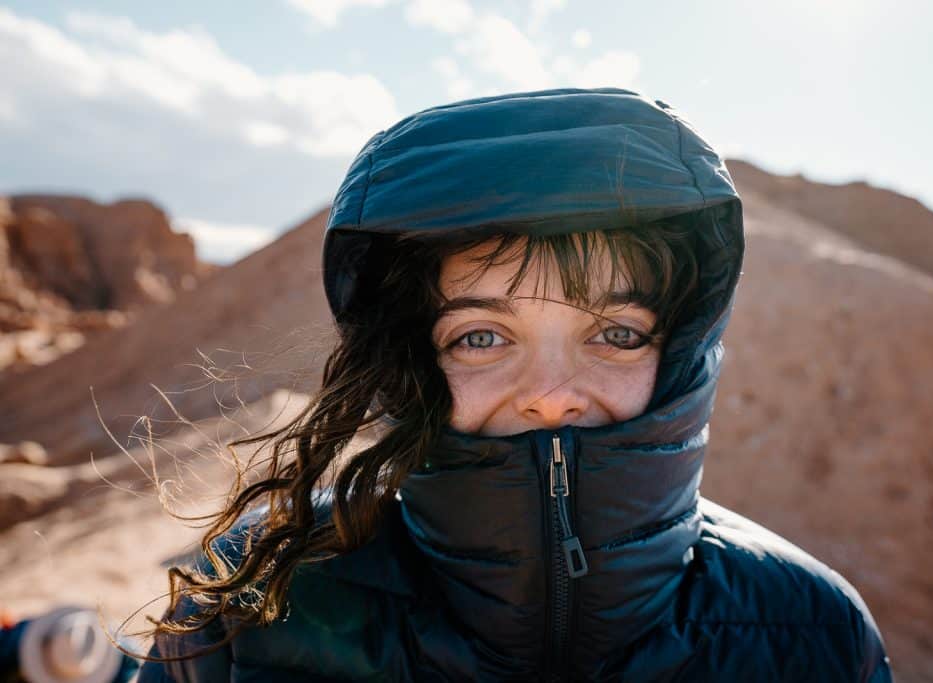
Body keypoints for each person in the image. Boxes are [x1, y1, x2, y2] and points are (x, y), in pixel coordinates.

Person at [133, 87, 892, 682]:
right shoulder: (254, 601)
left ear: (682, 352)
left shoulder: (813, 632)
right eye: (482, 337)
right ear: (409, 361)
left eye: (616, 334)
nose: (552, 391)